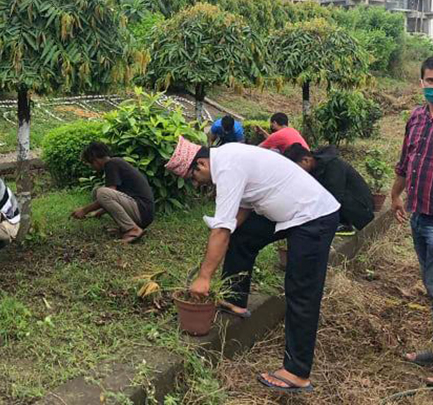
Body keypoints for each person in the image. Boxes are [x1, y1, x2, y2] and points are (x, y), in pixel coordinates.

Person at [166, 136, 339, 393]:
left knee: (301, 291)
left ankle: (297, 372)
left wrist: (204, 277)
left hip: (313, 217)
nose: (197, 184)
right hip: (293, 212)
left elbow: (221, 228)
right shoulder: (229, 156)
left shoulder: (226, 168)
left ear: (200, 165)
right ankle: (235, 299)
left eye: (193, 178)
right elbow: (241, 212)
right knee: (242, 236)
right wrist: (226, 231)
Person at [392, 55, 433, 387]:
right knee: (432, 289)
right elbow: (406, 162)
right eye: (430, 81)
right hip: (418, 215)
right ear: (421, 82)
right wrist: (395, 195)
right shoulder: (417, 117)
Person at [70, 141, 154, 244]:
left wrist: (84, 210)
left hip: (142, 211)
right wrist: (98, 213)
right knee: (97, 191)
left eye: (90, 163)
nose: (91, 167)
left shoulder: (112, 164)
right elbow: (116, 197)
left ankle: (132, 230)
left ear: (94, 159)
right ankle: (125, 228)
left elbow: (109, 194)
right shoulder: (115, 163)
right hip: (142, 213)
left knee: (102, 192)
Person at [284, 143, 374, 235]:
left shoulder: (333, 165)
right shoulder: (315, 168)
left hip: (358, 209)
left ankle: (345, 226)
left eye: (296, 168)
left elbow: (334, 196)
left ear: (306, 160)